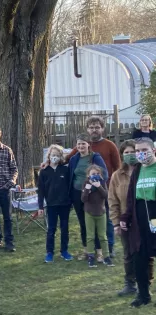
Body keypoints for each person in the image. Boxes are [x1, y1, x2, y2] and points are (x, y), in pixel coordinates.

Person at [65, 116, 119, 256]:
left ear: (102, 128)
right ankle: (90, 249)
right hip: (80, 193)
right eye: (91, 127)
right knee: (85, 221)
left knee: (104, 219)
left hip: (101, 191)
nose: (94, 130)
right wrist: (48, 162)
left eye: (97, 127)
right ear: (88, 129)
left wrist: (110, 186)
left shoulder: (109, 146)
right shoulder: (77, 152)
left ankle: (109, 248)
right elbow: (66, 160)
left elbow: (117, 168)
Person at [109, 140, 154, 296]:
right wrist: (120, 220)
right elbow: (121, 199)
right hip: (132, 219)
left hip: (150, 216)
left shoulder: (149, 169)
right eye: (127, 152)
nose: (134, 154)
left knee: (148, 253)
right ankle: (136, 289)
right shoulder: (127, 173)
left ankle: (146, 285)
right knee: (134, 254)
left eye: (134, 151)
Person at [123, 138, 156, 307]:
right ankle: (143, 295)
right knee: (139, 258)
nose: (140, 153)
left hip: (155, 214)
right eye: (137, 151)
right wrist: (126, 217)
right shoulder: (136, 171)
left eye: (144, 149)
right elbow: (130, 197)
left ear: (153, 150)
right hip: (139, 218)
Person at [68, 133, 108, 261]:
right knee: (83, 223)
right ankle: (87, 250)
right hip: (77, 194)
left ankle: (99, 251)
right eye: (79, 143)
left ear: (88, 145)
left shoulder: (95, 157)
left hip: (93, 195)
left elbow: (104, 174)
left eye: (83, 143)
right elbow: (70, 174)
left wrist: (94, 188)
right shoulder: (74, 158)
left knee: (94, 222)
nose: (81, 146)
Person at [38, 145, 73, 263]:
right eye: (53, 155)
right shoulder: (44, 171)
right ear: (49, 156)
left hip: (64, 204)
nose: (55, 157)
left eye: (57, 155)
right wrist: (40, 206)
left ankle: (64, 251)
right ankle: (49, 252)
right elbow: (41, 190)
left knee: (64, 228)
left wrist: (70, 201)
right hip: (51, 205)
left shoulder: (65, 169)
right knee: (51, 229)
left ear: (61, 157)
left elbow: (69, 186)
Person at [81, 165, 114, 268]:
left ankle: (107, 257)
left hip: (101, 212)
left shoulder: (102, 182)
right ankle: (91, 257)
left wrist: (98, 186)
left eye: (97, 174)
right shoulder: (86, 183)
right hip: (89, 213)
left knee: (103, 236)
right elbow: (83, 199)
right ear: (88, 175)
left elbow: (106, 195)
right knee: (90, 236)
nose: (95, 175)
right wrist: (87, 189)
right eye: (93, 174)